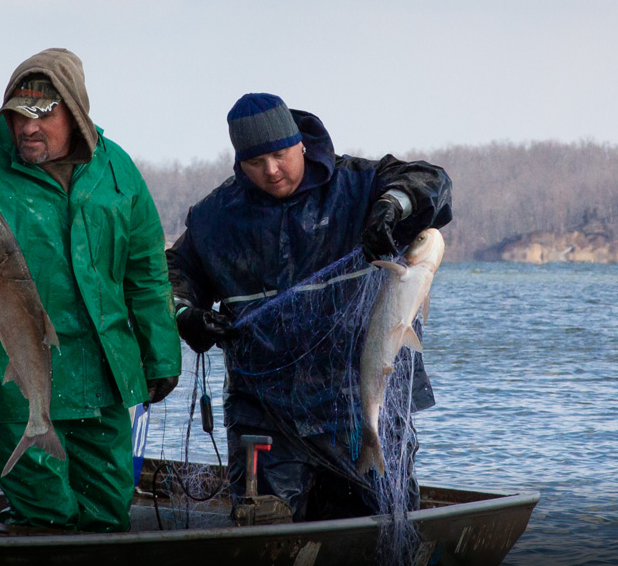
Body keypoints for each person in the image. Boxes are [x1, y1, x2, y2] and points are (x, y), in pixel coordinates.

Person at [0, 48, 181, 532]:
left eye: (43, 115)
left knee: (107, 519)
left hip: (102, 381)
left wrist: (161, 357)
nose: (28, 128)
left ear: (74, 113)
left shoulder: (116, 170)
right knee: (46, 519)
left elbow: (147, 271)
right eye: (18, 116)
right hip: (11, 386)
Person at [164, 93, 452, 521]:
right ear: (238, 163)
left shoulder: (359, 184)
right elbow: (171, 275)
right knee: (266, 530)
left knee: (373, 528)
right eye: (255, 162)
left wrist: (391, 207)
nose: (271, 170)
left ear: (299, 143)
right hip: (264, 414)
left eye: (280, 154)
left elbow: (433, 184)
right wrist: (187, 315)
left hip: (359, 404)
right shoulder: (215, 217)